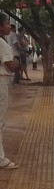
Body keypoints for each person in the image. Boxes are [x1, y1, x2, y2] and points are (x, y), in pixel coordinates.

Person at [0, 13, 20, 169]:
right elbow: (10, 65)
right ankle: (1, 159)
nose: (9, 26)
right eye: (7, 23)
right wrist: (17, 62)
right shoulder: (1, 43)